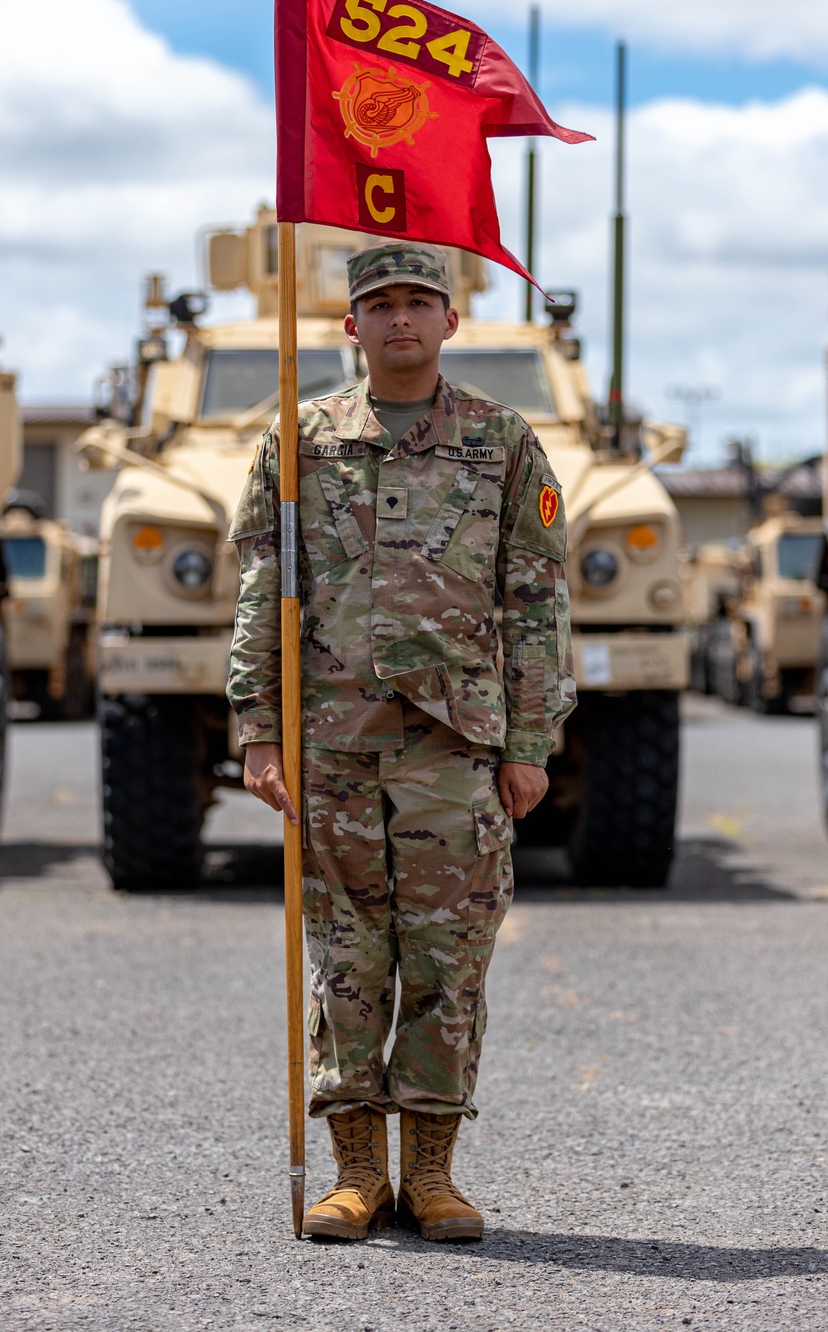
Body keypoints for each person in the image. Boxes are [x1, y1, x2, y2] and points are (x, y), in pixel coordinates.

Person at [227, 242, 576, 1240]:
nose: (401, 320)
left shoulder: (502, 442)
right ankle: (354, 1175)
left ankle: (430, 1175)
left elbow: (536, 601)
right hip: (331, 744)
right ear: (352, 326)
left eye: (421, 301)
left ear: (452, 321)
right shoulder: (300, 440)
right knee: (346, 958)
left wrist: (528, 741)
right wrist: (258, 731)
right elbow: (263, 594)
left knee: (446, 961)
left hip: (456, 748)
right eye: (380, 305)